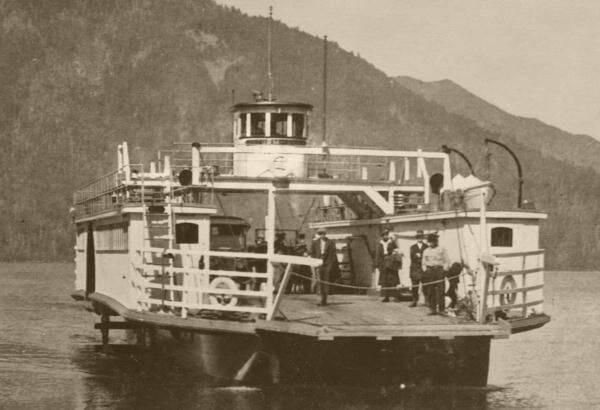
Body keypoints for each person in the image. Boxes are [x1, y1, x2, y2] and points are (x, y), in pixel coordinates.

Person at [310, 228, 340, 306]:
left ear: (325, 234)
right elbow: (312, 253)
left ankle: (324, 300)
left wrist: (330, 264)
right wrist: (315, 262)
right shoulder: (315, 242)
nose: (322, 235)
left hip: (327, 264)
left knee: (325, 282)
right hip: (318, 263)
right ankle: (319, 300)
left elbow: (333, 254)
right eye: (320, 233)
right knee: (319, 281)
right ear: (319, 234)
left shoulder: (330, 242)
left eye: (323, 233)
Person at [421, 233, 450, 315]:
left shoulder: (441, 249)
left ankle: (441, 309)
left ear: (436, 241)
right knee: (430, 291)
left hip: (439, 271)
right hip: (430, 272)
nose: (431, 243)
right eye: (430, 242)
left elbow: (447, 261)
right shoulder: (426, 251)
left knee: (441, 290)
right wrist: (425, 270)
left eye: (433, 241)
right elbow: (423, 263)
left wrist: (444, 270)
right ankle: (432, 309)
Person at [376, 229, 403, 302]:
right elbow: (378, 255)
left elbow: (397, 251)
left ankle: (396, 297)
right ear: (382, 236)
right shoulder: (380, 244)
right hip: (383, 263)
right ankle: (386, 297)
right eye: (384, 235)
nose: (385, 236)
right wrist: (378, 265)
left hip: (392, 263)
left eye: (386, 235)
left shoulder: (392, 242)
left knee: (394, 280)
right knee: (384, 281)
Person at [409, 230, 428, 307]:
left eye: (421, 236)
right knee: (414, 286)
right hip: (415, 269)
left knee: (426, 285)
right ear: (416, 238)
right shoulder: (413, 247)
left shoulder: (426, 247)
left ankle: (427, 301)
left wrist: (420, 256)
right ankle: (414, 301)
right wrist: (420, 256)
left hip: (423, 268)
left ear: (423, 237)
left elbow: (427, 257)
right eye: (418, 237)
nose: (419, 238)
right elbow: (412, 258)